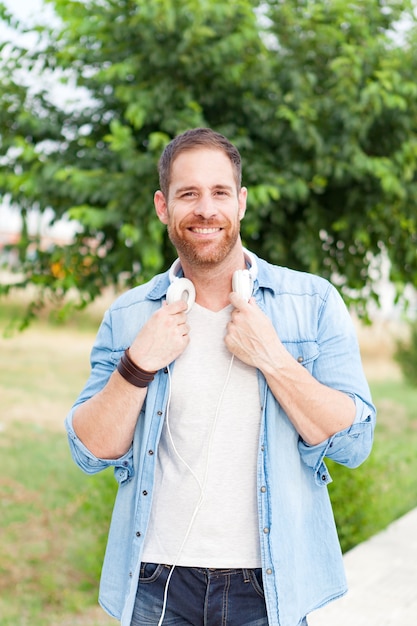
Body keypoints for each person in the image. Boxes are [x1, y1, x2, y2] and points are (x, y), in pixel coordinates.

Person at [65, 127, 376, 626]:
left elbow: (354, 442)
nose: (206, 209)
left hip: (268, 584)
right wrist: (138, 364)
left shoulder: (312, 304)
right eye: (188, 194)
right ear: (163, 207)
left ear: (241, 202)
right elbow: (89, 450)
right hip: (155, 582)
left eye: (220, 193)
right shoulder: (129, 316)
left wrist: (272, 357)